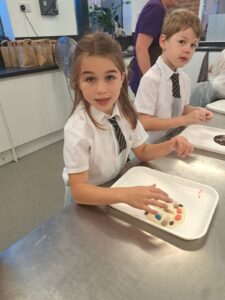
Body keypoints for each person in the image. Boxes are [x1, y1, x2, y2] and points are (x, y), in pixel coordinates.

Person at [63, 32, 193, 214]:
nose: (101, 90)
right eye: (90, 79)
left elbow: (143, 151)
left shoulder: (126, 112)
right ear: (78, 82)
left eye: (110, 77)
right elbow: (79, 191)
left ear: (122, 77)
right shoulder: (77, 129)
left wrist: (170, 145)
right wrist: (124, 195)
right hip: (87, 202)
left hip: (115, 185)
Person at [134, 9, 213, 144]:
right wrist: (183, 120)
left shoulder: (184, 79)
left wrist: (198, 111)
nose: (188, 49)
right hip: (152, 147)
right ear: (163, 42)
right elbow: (144, 122)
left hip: (175, 140)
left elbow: (180, 108)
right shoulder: (151, 80)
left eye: (193, 45)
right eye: (182, 41)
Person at [129, 0, 177, 95]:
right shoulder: (156, 8)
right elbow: (141, 47)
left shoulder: (158, 8)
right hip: (146, 76)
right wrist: (150, 81)